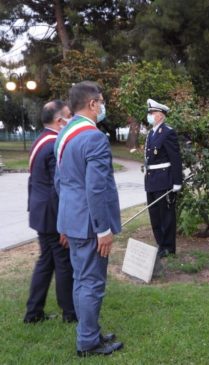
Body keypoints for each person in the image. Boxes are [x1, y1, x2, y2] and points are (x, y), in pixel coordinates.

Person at [54, 81, 123, 357]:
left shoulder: (64, 133)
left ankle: (89, 332)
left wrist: (64, 222)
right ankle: (88, 342)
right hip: (89, 224)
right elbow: (96, 188)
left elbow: (60, 182)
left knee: (82, 280)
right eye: (101, 101)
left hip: (72, 219)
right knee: (91, 282)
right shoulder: (93, 137)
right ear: (93, 104)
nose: (103, 106)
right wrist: (103, 229)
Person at [24, 100, 76, 324]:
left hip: (40, 212)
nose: (70, 119)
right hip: (52, 215)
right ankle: (70, 312)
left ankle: (34, 312)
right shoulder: (55, 144)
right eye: (68, 116)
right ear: (59, 120)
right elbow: (58, 187)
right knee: (63, 262)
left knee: (46, 262)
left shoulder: (39, 139)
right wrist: (63, 224)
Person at [144, 98, 183, 259]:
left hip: (164, 180)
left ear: (160, 115)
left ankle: (168, 247)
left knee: (166, 215)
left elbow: (175, 158)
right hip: (151, 180)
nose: (150, 116)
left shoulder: (167, 132)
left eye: (152, 113)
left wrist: (177, 182)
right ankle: (160, 244)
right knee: (154, 215)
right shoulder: (151, 133)